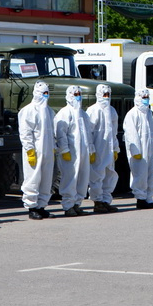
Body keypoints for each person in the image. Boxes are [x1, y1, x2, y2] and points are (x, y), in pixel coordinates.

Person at [18, 81, 56, 220]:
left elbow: (52, 132)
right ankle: (32, 208)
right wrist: (30, 150)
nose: (45, 96)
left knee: (46, 180)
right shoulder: (28, 111)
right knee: (33, 179)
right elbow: (25, 132)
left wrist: (53, 148)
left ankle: (41, 206)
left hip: (47, 151)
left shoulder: (49, 111)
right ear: (36, 93)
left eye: (47, 93)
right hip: (35, 151)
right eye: (43, 93)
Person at [55, 85, 94, 217]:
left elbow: (88, 134)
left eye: (79, 94)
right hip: (71, 153)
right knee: (70, 178)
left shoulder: (83, 114)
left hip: (83, 153)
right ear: (69, 95)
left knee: (82, 178)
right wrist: (64, 149)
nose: (78, 96)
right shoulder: (64, 113)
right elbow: (61, 133)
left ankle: (77, 204)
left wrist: (91, 150)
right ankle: (68, 205)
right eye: (75, 94)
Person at [86, 84, 120, 213]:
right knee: (97, 175)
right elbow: (89, 133)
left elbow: (114, 132)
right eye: (104, 94)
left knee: (109, 175)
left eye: (108, 95)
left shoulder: (112, 111)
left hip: (109, 149)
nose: (106, 97)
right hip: (98, 149)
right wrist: (91, 149)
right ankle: (97, 201)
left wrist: (116, 148)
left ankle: (106, 200)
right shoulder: (93, 111)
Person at [124, 89, 153, 209]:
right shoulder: (132, 114)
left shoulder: (148, 113)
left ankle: (149, 198)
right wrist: (136, 151)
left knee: (150, 173)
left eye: (147, 96)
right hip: (139, 150)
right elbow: (131, 134)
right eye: (143, 97)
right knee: (140, 174)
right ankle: (140, 198)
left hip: (149, 148)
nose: (146, 99)